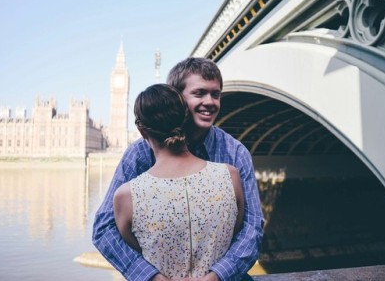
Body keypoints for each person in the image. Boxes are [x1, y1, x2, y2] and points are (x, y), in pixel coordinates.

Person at [93, 57, 264, 281]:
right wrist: (153, 277)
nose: (210, 101)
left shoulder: (236, 153)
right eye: (200, 93)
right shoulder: (139, 154)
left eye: (216, 94)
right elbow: (104, 229)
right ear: (176, 98)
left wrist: (216, 276)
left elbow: (252, 227)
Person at [113, 83, 244, 279]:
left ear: (142, 131)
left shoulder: (126, 197)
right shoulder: (230, 176)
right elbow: (235, 232)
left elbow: (134, 246)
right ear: (186, 119)